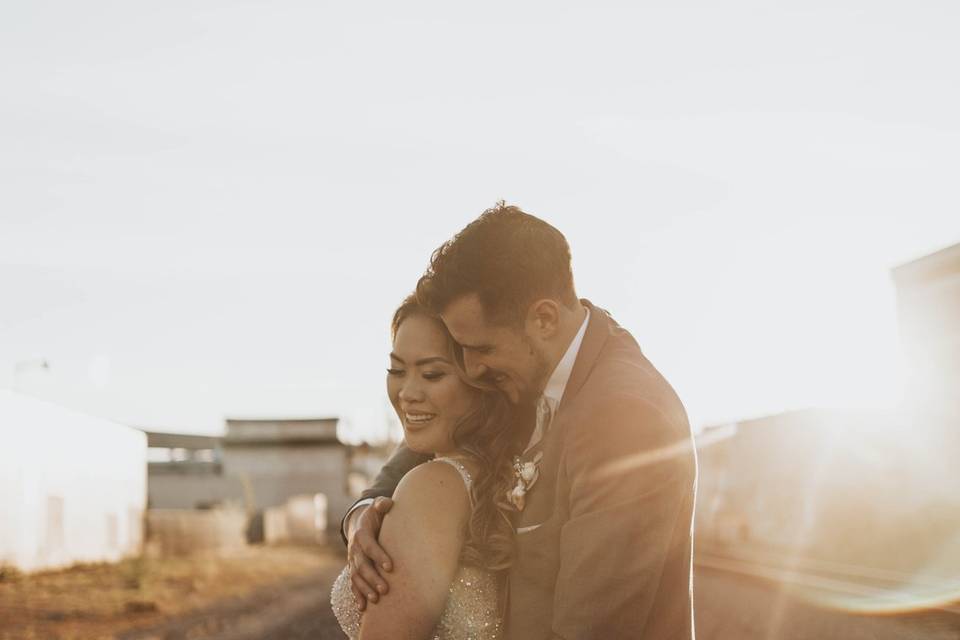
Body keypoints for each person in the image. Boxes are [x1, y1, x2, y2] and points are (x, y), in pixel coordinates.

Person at [343, 203, 698, 639]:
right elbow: (439, 437)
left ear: (544, 318)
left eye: (481, 348)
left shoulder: (622, 415)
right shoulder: (530, 378)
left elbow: (591, 629)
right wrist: (364, 511)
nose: (471, 369)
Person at [330, 294, 527, 639]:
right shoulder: (500, 475)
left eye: (432, 374)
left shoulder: (432, 486)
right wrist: (360, 512)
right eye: (396, 370)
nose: (407, 392)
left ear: (480, 380)